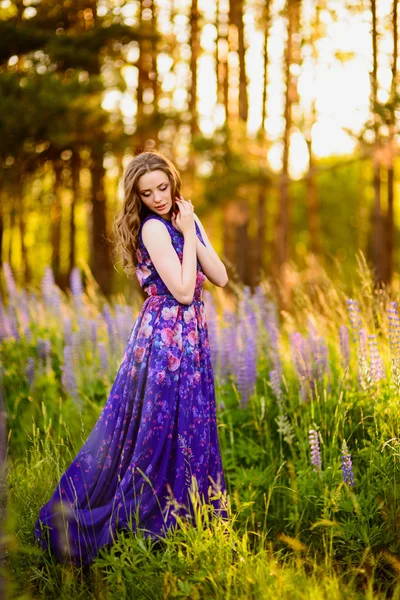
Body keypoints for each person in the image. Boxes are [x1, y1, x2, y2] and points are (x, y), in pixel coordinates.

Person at [33, 150, 229, 567]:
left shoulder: (181, 219)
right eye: (148, 192)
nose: (158, 197)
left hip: (191, 337)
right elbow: (181, 291)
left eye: (163, 187)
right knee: (154, 428)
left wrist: (193, 226)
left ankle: (184, 518)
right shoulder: (156, 230)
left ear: (173, 183)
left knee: (188, 420)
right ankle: (138, 523)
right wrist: (188, 234)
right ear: (137, 197)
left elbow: (221, 276)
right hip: (163, 338)